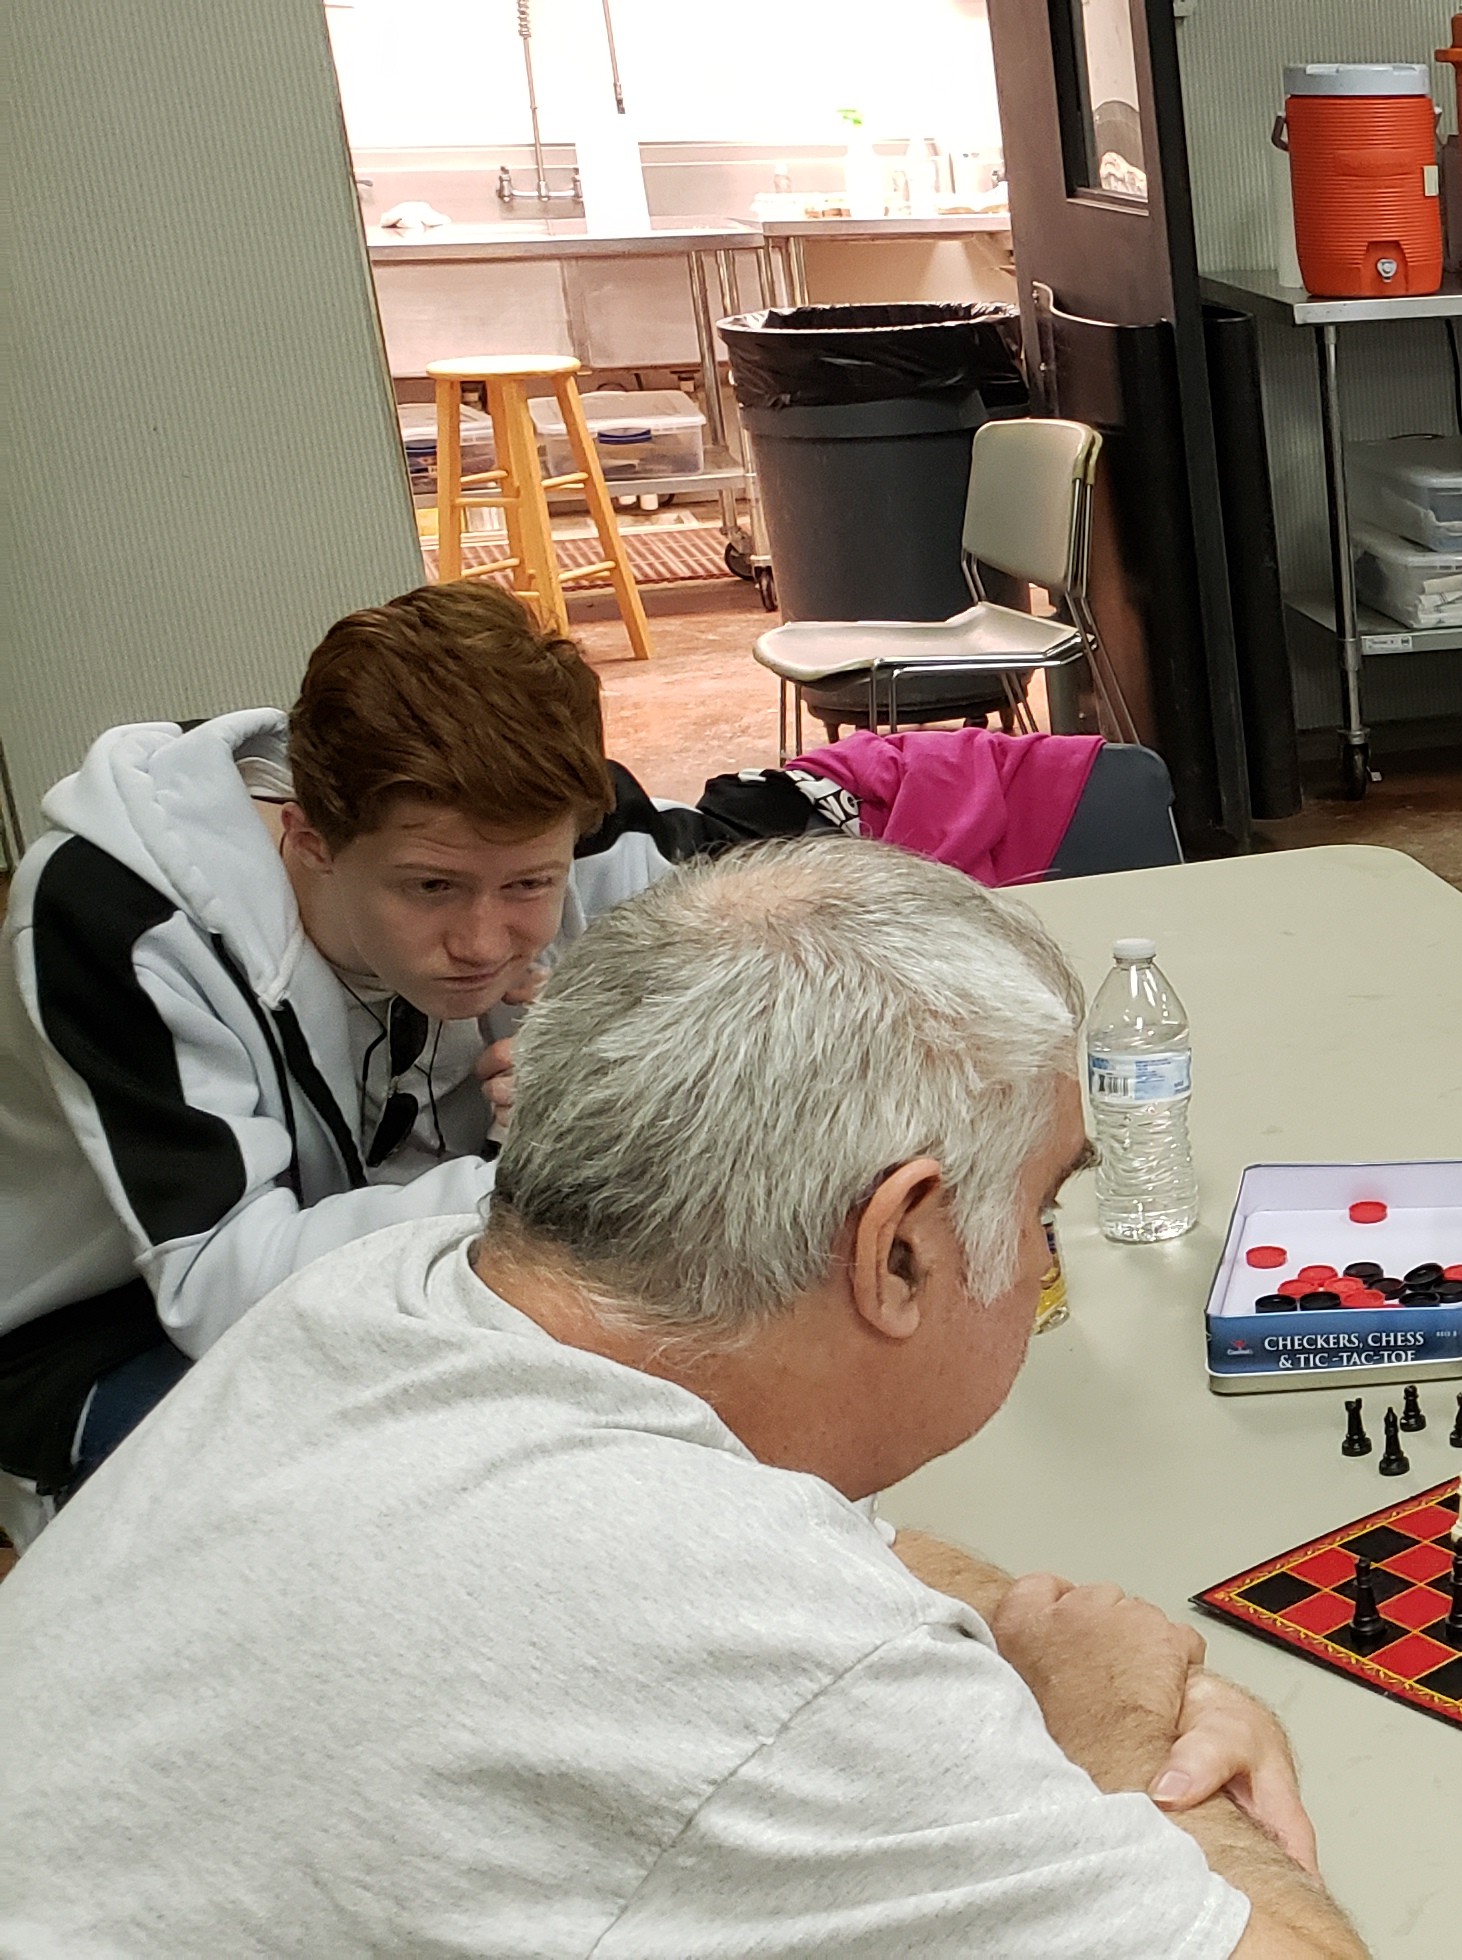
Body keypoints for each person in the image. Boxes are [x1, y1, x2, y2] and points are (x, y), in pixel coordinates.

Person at [0, 838, 1363, 1958]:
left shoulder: (394, 1295)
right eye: (1043, 1207)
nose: (1043, 1256)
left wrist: (1026, 1637)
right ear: (899, 1249)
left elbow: (839, 1559)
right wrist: (1121, 1733)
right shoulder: (747, 1651)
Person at [0, 581, 707, 1504]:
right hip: (111, 1328)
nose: (483, 942)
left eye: (530, 885)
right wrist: (558, 1162)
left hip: (419, 1247)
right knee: (427, 1494)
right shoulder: (114, 915)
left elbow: (758, 1042)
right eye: (430, 888)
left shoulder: (590, 829)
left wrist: (625, 1069)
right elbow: (223, 1290)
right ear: (311, 840)